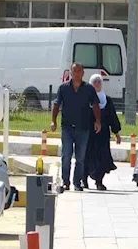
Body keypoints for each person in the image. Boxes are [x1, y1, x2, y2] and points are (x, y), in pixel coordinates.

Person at [51, 63, 101, 191]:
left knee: (80, 158)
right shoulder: (63, 88)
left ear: (83, 73)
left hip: (83, 128)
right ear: (70, 73)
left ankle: (77, 182)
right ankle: (65, 182)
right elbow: (56, 104)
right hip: (67, 127)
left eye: (79, 71)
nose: (77, 73)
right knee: (66, 155)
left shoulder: (89, 89)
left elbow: (95, 105)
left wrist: (97, 121)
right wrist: (53, 121)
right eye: (74, 71)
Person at [83, 74, 122, 191]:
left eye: (99, 82)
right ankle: (84, 180)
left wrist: (116, 133)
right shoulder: (86, 98)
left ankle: (99, 181)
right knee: (86, 156)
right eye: (94, 82)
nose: (97, 84)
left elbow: (112, 117)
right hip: (88, 134)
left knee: (102, 157)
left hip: (103, 135)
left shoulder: (107, 100)